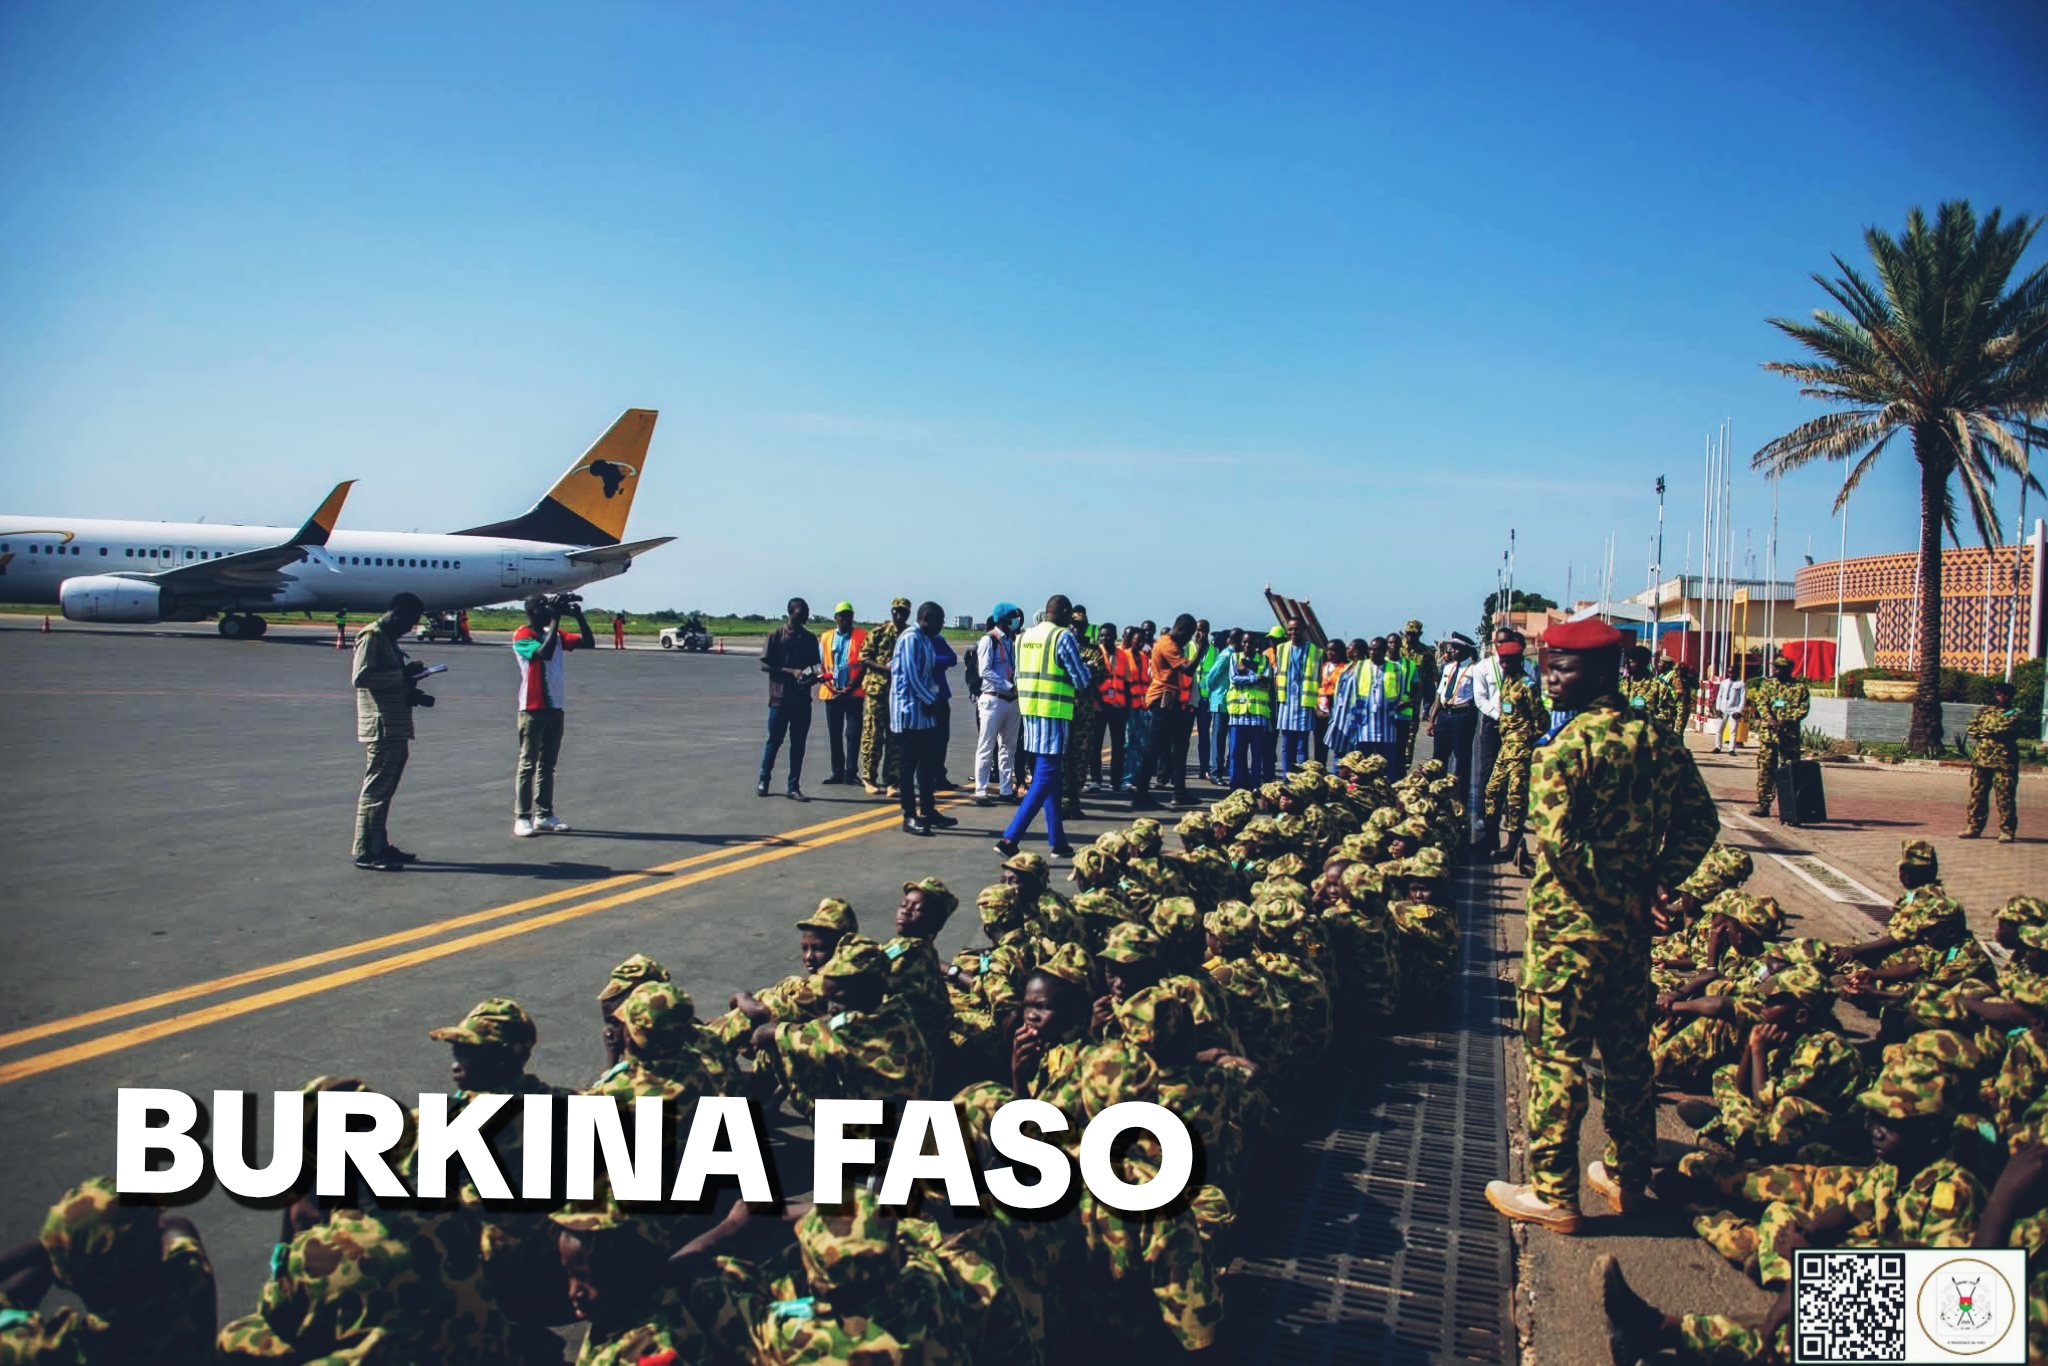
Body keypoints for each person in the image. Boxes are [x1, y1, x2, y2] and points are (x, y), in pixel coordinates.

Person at [1485, 615, 1719, 1233]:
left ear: (1600, 674)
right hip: (1629, 938)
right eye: (1548, 667)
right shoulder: (1658, 740)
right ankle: (1627, 1177)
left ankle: (1553, 1193)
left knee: (1556, 1060)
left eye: (1563, 669)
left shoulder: (1565, 749)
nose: (1549, 679)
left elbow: (1559, 847)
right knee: (1627, 1057)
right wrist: (1658, 884)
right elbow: (1701, 822)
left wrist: (1625, 896)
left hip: (1568, 933)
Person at [997, 594, 1092, 858]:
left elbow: (1017, 674)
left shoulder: (1025, 637)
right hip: (1053, 711)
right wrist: (1088, 669)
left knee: (1051, 777)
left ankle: (1057, 841)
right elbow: (1081, 680)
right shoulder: (1062, 637)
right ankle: (1010, 838)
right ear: (1064, 612)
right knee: (1044, 778)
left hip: (1031, 712)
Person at [351, 592, 427, 870]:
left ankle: (379, 845)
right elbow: (361, 677)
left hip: (395, 724)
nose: (410, 627)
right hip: (381, 726)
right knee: (376, 790)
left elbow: (386, 678)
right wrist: (402, 675)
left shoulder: (387, 638)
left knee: (385, 790)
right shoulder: (372, 636)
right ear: (397, 612)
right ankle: (367, 852)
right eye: (409, 621)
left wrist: (410, 682)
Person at [512, 592, 591, 837]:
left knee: (548, 765)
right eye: (545, 607)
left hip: (555, 707)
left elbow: (588, 643)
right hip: (532, 708)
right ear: (532, 611)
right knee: (528, 764)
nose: (549, 611)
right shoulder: (522, 635)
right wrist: (556, 619)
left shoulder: (554, 634)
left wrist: (579, 617)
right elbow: (543, 654)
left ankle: (544, 814)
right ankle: (522, 816)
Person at [889, 601, 957, 836]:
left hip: (925, 713)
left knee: (928, 764)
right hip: (909, 712)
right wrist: (930, 699)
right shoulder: (911, 638)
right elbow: (912, 676)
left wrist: (933, 697)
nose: (942, 625)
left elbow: (928, 675)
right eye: (940, 621)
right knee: (908, 766)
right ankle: (909, 816)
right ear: (926, 618)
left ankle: (928, 811)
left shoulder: (927, 639)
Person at [1482, 638, 1548, 868]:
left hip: (1520, 748)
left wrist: (1528, 740)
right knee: (1492, 789)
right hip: (1506, 746)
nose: (1504, 665)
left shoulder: (1527, 685)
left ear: (1519, 661)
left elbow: (1542, 719)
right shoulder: (1507, 682)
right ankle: (1490, 835)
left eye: (1509, 661)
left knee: (1516, 797)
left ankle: (1513, 842)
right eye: (1502, 661)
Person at [756, 597, 821, 800]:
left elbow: (816, 666)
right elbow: (765, 665)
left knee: (798, 744)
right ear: (791, 612)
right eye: (802, 610)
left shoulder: (810, 638)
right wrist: (790, 671)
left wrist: (812, 678)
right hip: (780, 699)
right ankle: (764, 779)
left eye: (807, 610)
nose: (806, 614)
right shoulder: (776, 635)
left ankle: (793, 786)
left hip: (802, 701)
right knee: (774, 741)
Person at [1136, 613, 1200, 808]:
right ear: (1181, 630)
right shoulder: (1168, 644)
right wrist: (1202, 649)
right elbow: (1187, 669)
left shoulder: (1169, 643)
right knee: (1153, 747)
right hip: (1161, 699)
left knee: (1180, 744)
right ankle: (1141, 795)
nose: (1187, 640)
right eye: (1188, 635)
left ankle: (1179, 792)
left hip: (1171, 699)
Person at [859, 597, 911, 796]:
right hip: (877, 692)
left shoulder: (909, 635)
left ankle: (892, 781)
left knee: (896, 740)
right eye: (896, 611)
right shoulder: (878, 633)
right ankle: (869, 778)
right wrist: (885, 669)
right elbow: (864, 657)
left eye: (903, 611)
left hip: (899, 694)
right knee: (872, 736)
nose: (899, 614)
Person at [1747, 653, 1810, 817]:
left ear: (1788, 670)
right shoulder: (1767, 686)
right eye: (1775, 667)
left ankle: (1791, 807)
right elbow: (1761, 703)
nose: (1775, 671)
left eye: (1779, 668)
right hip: (1769, 736)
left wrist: (1787, 720)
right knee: (1766, 769)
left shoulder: (1799, 688)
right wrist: (1770, 719)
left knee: (1790, 770)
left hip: (1789, 737)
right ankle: (1763, 804)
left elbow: (1803, 708)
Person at [974, 604, 1025, 806]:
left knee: (1008, 748)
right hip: (993, 699)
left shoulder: (1010, 641)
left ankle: (1005, 790)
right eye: (1013, 617)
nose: (1016, 621)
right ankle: (981, 791)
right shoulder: (989, 640)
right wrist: (1008, 685)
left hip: (1011, 701)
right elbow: (984, 670)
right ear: (1003, 619)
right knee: (986, 746)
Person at [1961, 679, 2023, 842]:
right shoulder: (1985, 711)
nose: (2001, 696)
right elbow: (1971, 728)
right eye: (1999, 693)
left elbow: (2004, 729)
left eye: (2005, 694)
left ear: (2010, 696)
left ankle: (2007, 830)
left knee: (2005, 797)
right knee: (1977, 796)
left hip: (2004, 761)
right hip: (1982, 760)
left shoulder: (2015, 713)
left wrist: (1983, 731)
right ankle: (1974, 827)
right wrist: (1987, 731)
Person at [816, 602, 867, 785]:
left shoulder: (862, 636)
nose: (845, 619)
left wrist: (852, 686)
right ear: (835, 618)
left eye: (848, 615)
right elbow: (819, 664)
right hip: (832, 692)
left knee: (853, 733)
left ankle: (851, 772)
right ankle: (837, 771)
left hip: (854, 692)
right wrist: (828, 685)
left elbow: (864, 664)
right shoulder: (826, 637)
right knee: (835, 733)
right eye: (841, 615)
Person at [1268, 617, 1322, 778]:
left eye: (1296, 629)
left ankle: (1299, 781)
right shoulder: (1281, 649)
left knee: (1301, 748)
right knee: (1286, 747)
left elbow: (1319, 678)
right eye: (1290, 629)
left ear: (1303, 631)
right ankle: (1287, 778)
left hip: (1304, 704)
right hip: (1286, 704)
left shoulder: (1314, 651)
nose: (1293, 632)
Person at [1428, 633, 1480, 788]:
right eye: (1452, 647)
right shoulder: (1448, 668)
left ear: (1467, 650)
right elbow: (1440, 694)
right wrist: (1432, 719)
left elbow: (1478, 696)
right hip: (1444, 715)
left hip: (1462, 716)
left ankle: (1460, 795)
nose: (1453, 651)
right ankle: (1437, 790)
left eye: (1457, 648)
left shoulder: (1474, 670)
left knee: (1461, 758)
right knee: (1438, 757)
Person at [1227, 632, 1276, 792]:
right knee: (1235, 753)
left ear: (1256, 644)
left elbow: (1266, 680)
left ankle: (1255, 785)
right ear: (1241, 643)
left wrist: (1246, 672)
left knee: (1257, 754)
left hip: (1257, 714)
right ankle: (1235, 784)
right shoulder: (1234, 658)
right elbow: (1234, 679)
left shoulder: (1264, 660)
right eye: (1244, 642)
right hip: (1238, 714)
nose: (1247, 645)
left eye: (1250, 642)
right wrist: (1255, 677)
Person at [1091, 622, 1126, 792]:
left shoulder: (1123, 656)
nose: (1105, 638)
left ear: (1115, 636)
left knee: (1118, 745)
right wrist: (1100, 702)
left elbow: (1127, 681)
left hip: (1118, 706)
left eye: (1109, 635)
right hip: (1099, 707)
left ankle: (1116, 781)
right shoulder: (1095, 653)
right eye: (1102, 635)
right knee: (1096, 745)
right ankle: (1095, 780)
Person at [1313, 638, 1347, 765]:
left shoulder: (1345, 668)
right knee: (1319, 746)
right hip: (1320, 709)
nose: (1330, 653)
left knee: (1338, 746)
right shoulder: (1323, 667)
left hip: (1335, 711)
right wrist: (1316, 709)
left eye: (1334, 650)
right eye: (1328, 650)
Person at [1190, 618, 1216, 780]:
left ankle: (1204, 768)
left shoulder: (1214, 650)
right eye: (1198, 630)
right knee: (1181, 736)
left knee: (1204, 736)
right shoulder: (1188, 647)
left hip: (1205, 699)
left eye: (1204, 630)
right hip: (1189, 697)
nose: (1201, 633)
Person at [1712, 667, 1746, 753]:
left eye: (1733, 673)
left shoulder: (1741, 684)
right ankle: (1718, 747)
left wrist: (1739, 711)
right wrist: (1718, 709)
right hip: (1723, 709)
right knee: (1719, 729)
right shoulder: (1724, 683)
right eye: (1729, 673)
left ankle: (1731, 749)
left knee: (1733, 730)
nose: (1731, 675)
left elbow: (1742, 698)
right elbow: (1719, 696)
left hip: (1734, 709)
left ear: (1737, 673)